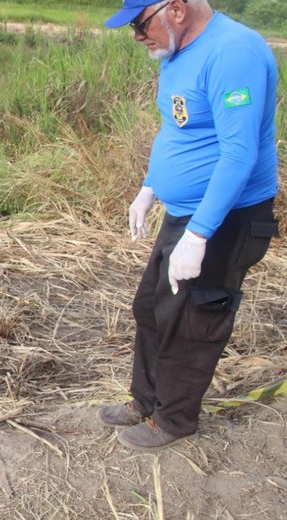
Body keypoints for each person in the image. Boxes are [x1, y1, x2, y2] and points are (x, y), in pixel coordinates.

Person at [99, 0, 279, 451]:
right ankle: (146, 401)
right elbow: (178, 130)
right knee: (151, 307)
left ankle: (175, 420)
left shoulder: (233, 53)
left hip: (227, 219)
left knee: (193, 321)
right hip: (186, 214)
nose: (138, 38)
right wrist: (150, 186)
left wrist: (200, 235)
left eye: (141, 26)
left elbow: (240, 155)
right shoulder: (178, 53)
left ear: (176, 8)